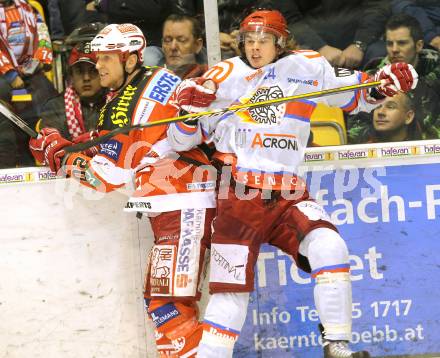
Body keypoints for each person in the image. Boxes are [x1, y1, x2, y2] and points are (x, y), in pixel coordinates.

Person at [167, 9, 417, 358]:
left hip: (287, 193)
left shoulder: (308, 67)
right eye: (248, 41)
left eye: (263, 41)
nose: (254, 49)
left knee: (329, 246)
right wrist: (187, 113)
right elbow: (179, 140)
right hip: (239, 195)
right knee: (230, 292)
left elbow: (359, 93)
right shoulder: (221, 76)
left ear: (281, 43)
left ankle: (336, 345)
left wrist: (384, 82)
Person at [28, 23, 218, 357]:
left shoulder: (123, 105)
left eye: (106, 58)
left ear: (130, 60)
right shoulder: (156, 79)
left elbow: (105, 177)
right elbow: (127, 142)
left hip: (184, 204)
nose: (98, 66)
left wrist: (60, 157)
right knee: (161, 303)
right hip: (178, 205)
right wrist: (76, 146)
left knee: (169, 304)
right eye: (97, 57)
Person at [349, 13, 440, 142]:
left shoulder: (436, 69)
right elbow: (356, 130)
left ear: (419, 46)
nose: (394, 49)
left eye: (402, 43)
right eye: (390, 44)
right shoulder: (372, 77)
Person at [0, 0, 57, 165]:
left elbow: (43, 34)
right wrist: (10, 74)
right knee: (19, 104)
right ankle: (15, 159)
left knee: (48, 97)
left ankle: (45, 152)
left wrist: (41, 59)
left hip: (29, 70)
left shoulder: (28, 8)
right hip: (4, 76)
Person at [278, 0, 390, 69]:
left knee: (382, 53)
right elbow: (290, 18)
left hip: (359, 41)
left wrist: (359, 44)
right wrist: (319, 47)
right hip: (309, 44)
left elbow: (377, 7)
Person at [38, 41, 106, 140]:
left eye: (93, 70)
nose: (86, 78)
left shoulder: (117, 101)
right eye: (79, 71)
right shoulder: (55, 107)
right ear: (71, 76)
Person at [349, 92, 422, 143]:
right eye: (377, 106)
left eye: (390, 107)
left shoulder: (423, 149)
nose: (380, 112)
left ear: (408, 117)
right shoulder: (362, 151)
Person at [161, 14, 207, 79]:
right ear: (162, 45)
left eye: (181, 40)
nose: (173, 47)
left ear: (197, 45)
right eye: (167, 40)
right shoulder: (150, 79)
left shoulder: (209, 78)